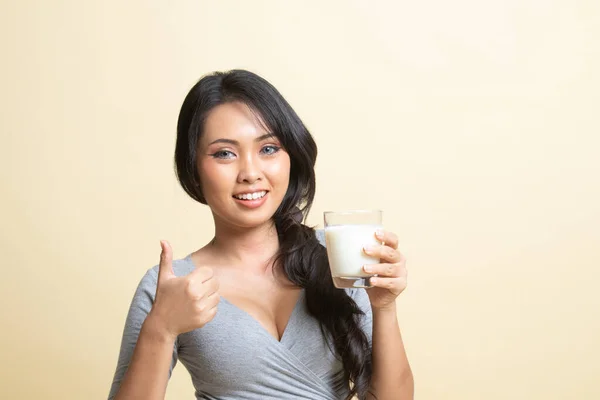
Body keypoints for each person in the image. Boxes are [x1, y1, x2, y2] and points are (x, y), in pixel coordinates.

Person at [108, 69, 413, 400]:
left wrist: (384, 307)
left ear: (290, 157)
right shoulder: (171, 286)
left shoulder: (335, 255)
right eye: (225, 153)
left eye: (268, 148)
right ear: (193, 167)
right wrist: (161, 330)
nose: (251, 173)